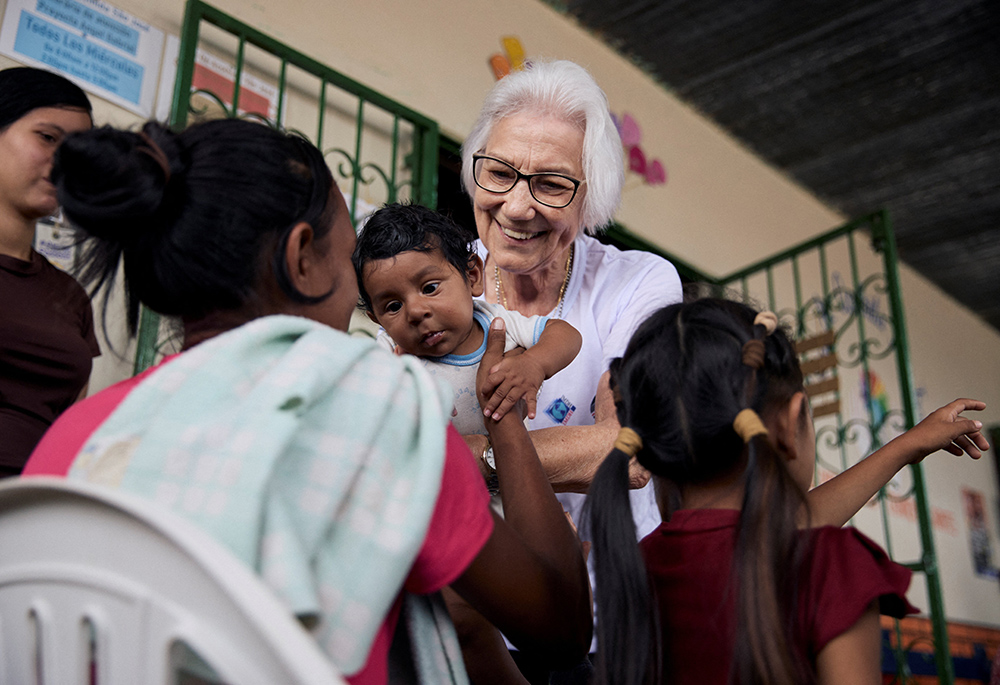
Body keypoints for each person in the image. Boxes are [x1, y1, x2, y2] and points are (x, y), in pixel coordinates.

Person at [22, 118, 592, 685]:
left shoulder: (76, 437)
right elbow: (562, 629)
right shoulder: (376, 415)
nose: (361, 304)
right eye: (349, 266)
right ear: (301, 259)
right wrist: (505, 416)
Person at [586, 298, 989, 685]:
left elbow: (765, 531)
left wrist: (906, 445)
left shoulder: (635, 563)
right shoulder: (832, 565)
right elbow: (777, 535)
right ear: (791, 420)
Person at [353, 201, 582, 443]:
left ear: (472, 276)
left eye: (430, 288)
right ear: (377, 319)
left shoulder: (496, 322)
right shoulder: (391, 352)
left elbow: (566, 335)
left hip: (507, 468)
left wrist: (534, 363)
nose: (415, 312)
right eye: (394, 306)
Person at [0, 66, 96, 476]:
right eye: (47, 137)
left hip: (33, 511)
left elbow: (71, 426)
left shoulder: (70, 295)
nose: (62, 162)